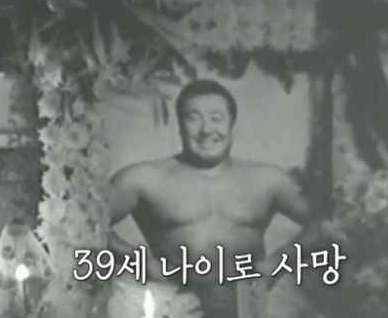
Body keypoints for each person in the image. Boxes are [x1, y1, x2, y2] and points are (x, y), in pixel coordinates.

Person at [107, 79, 337, 318]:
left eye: (216, 118)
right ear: (180, 125)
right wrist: (140, 262)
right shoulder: (144, 179)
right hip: (175, 301)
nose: (206, 129)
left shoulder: (267, 180)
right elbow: (90, 222)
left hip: (246, 302)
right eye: (193, 118)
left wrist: (277, 262)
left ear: (231, 125)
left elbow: (325, 223)